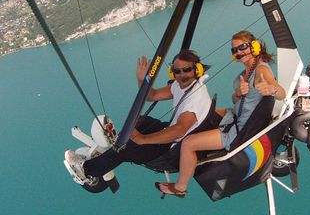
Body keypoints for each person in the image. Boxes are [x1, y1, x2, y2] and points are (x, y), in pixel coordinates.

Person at [155, 31, 285, 198]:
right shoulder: (245, 73)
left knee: (188, 143)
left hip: (240, 131)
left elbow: (280, 92)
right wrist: (237, 94)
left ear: (254, 46)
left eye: (242, 47)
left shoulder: (261, 71)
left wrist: (270, 89)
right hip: (236, 117)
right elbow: (235, 100)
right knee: (208, 112)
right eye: (234, 50)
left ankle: (180, 187)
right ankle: (180, 134)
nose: (238, 52)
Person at [65, 50, 212, 185]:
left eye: (186, 70)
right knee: (140, 121)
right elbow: (152, 95)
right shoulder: (181, 86)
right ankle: (113, 151)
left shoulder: (194, 98)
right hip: (174, 134)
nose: (182, 74)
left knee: (124, 149)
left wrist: (144, 139)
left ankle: (87, 171)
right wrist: (142, 80)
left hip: (173, 151)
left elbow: (179, 130)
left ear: (197, 70)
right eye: (177, 71)